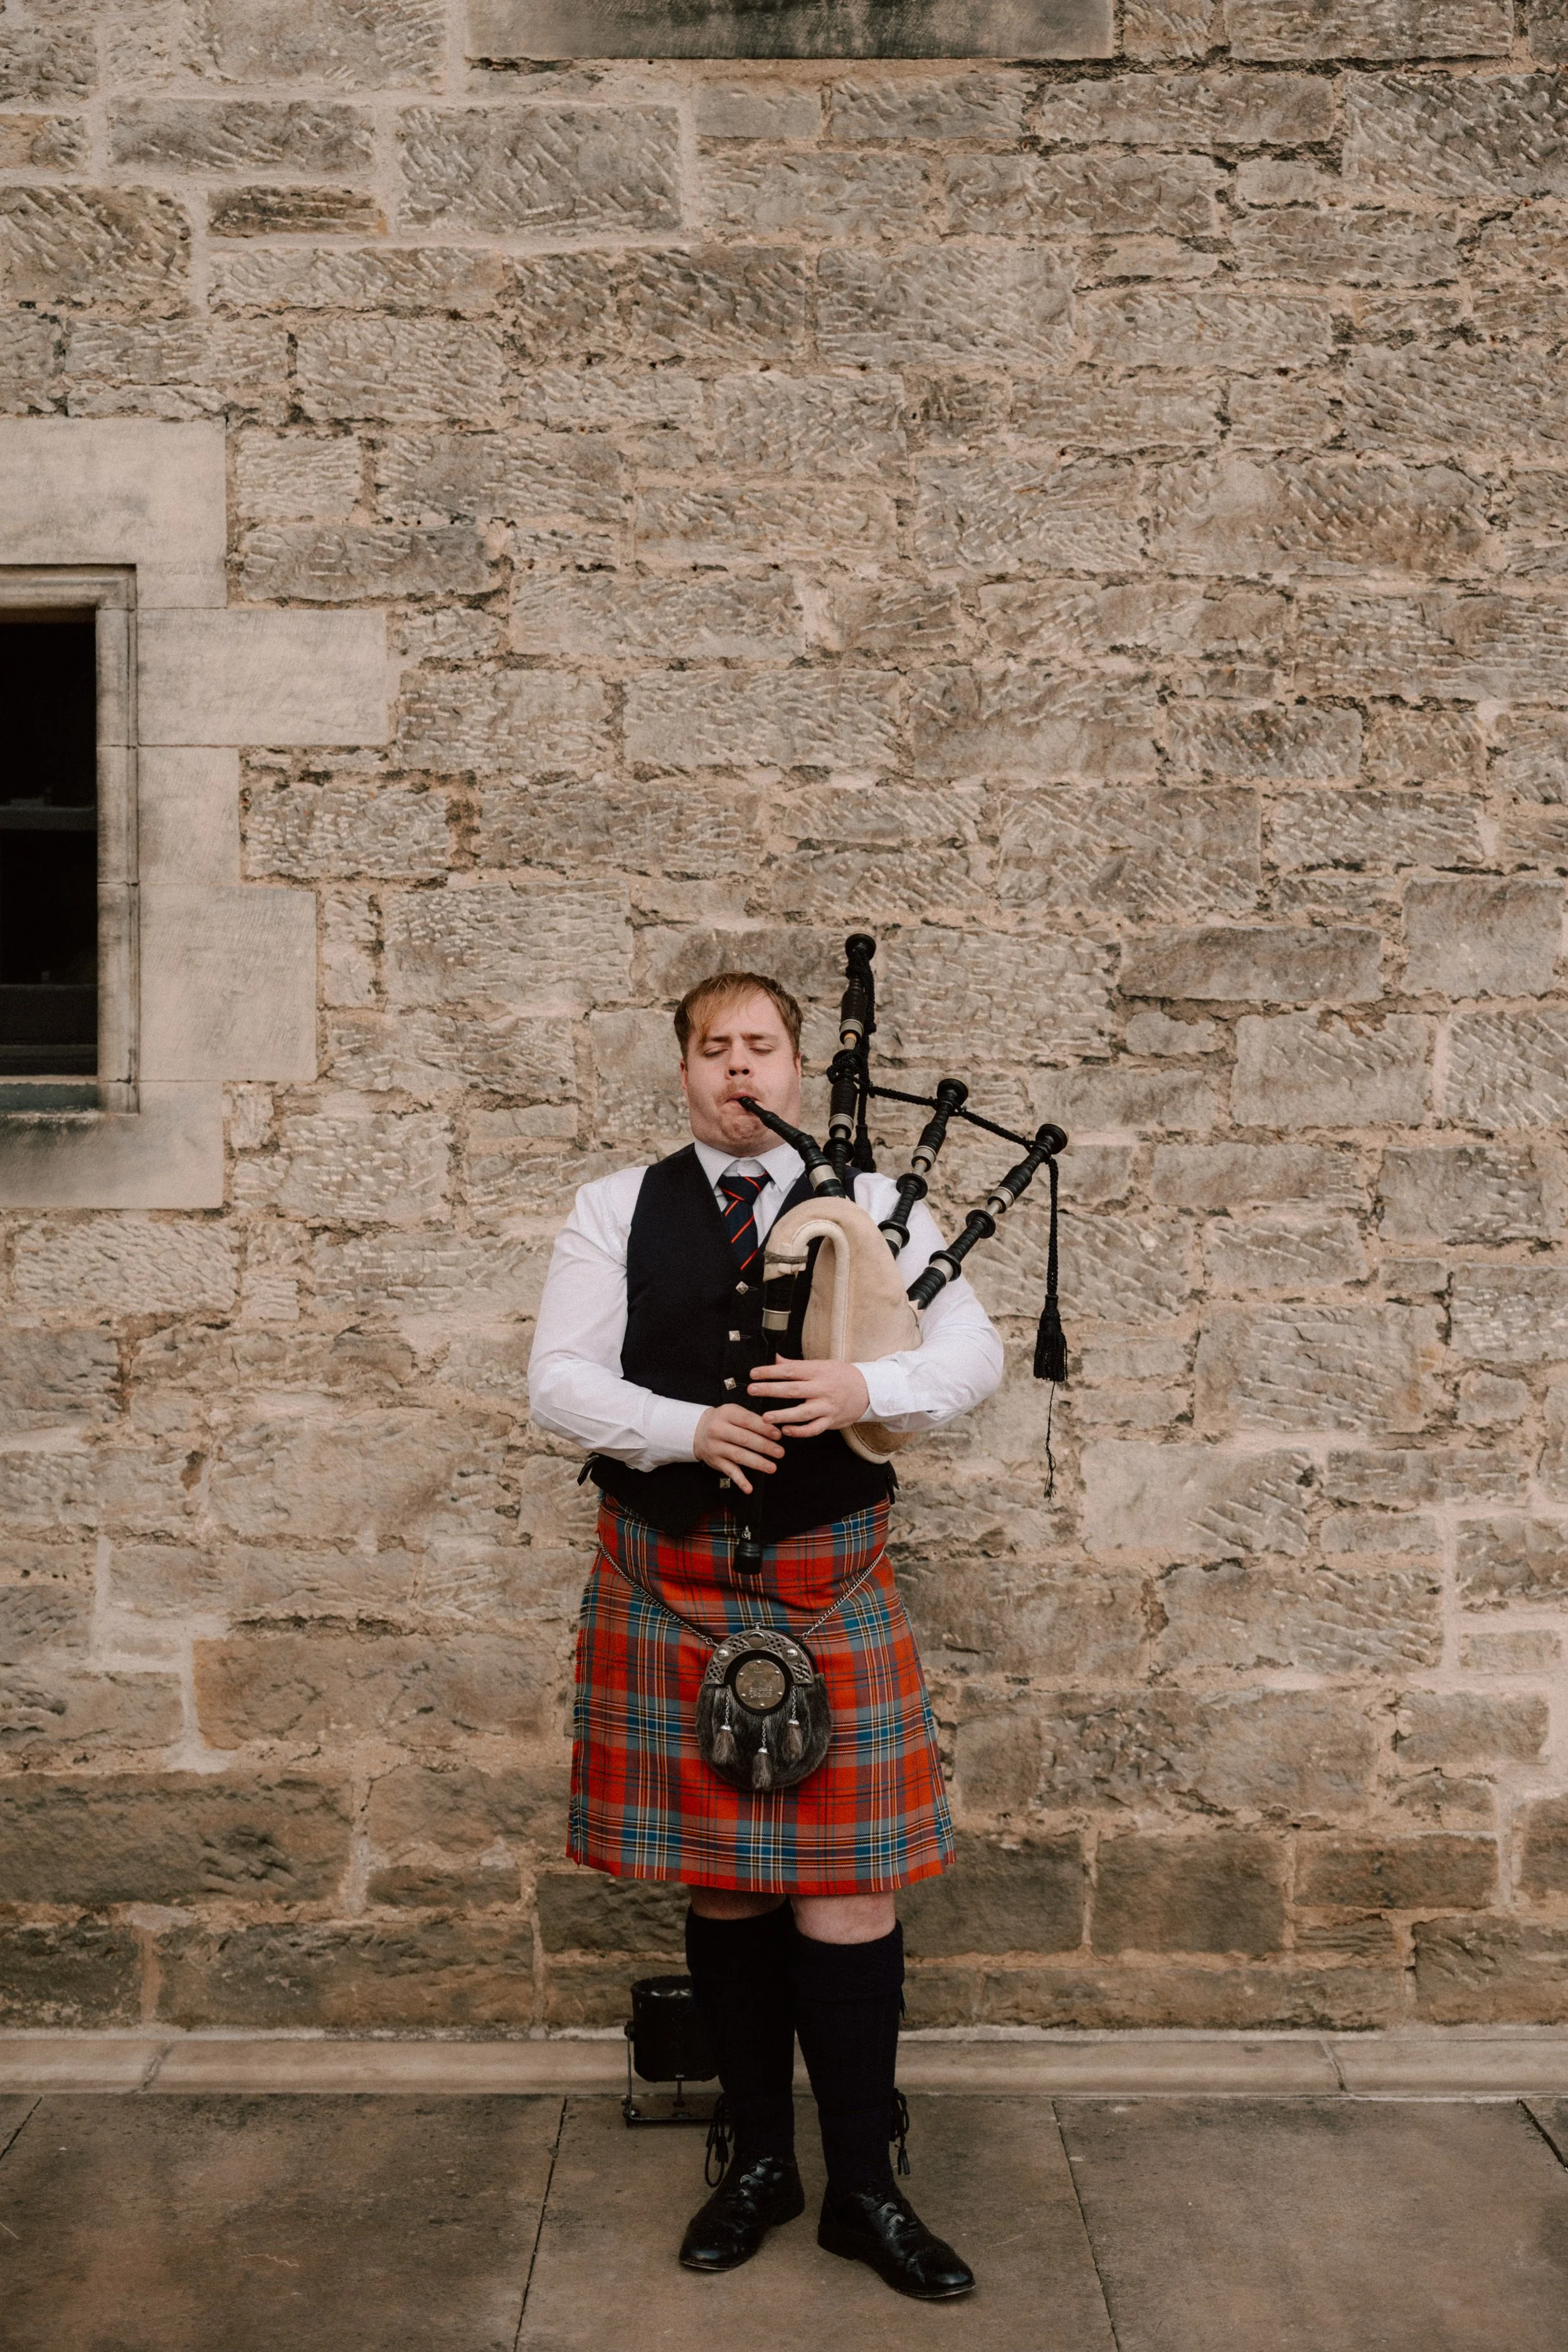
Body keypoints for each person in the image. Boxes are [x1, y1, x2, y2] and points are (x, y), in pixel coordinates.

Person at [528, 970, 1003, 2299]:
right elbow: (558, 1382)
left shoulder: (882, 1211)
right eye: (712, 1049)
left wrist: (867, 1382)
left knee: (848, 1897)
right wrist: (683, 1429)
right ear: (682, 1071)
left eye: (762, 1048)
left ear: (795, 1069)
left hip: (827, 1581)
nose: (739, 1070)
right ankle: (757, 2164)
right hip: (668, 1581)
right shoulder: (614, 1209)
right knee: (728, 1887)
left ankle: (862, 2186)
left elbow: (974, 1358)